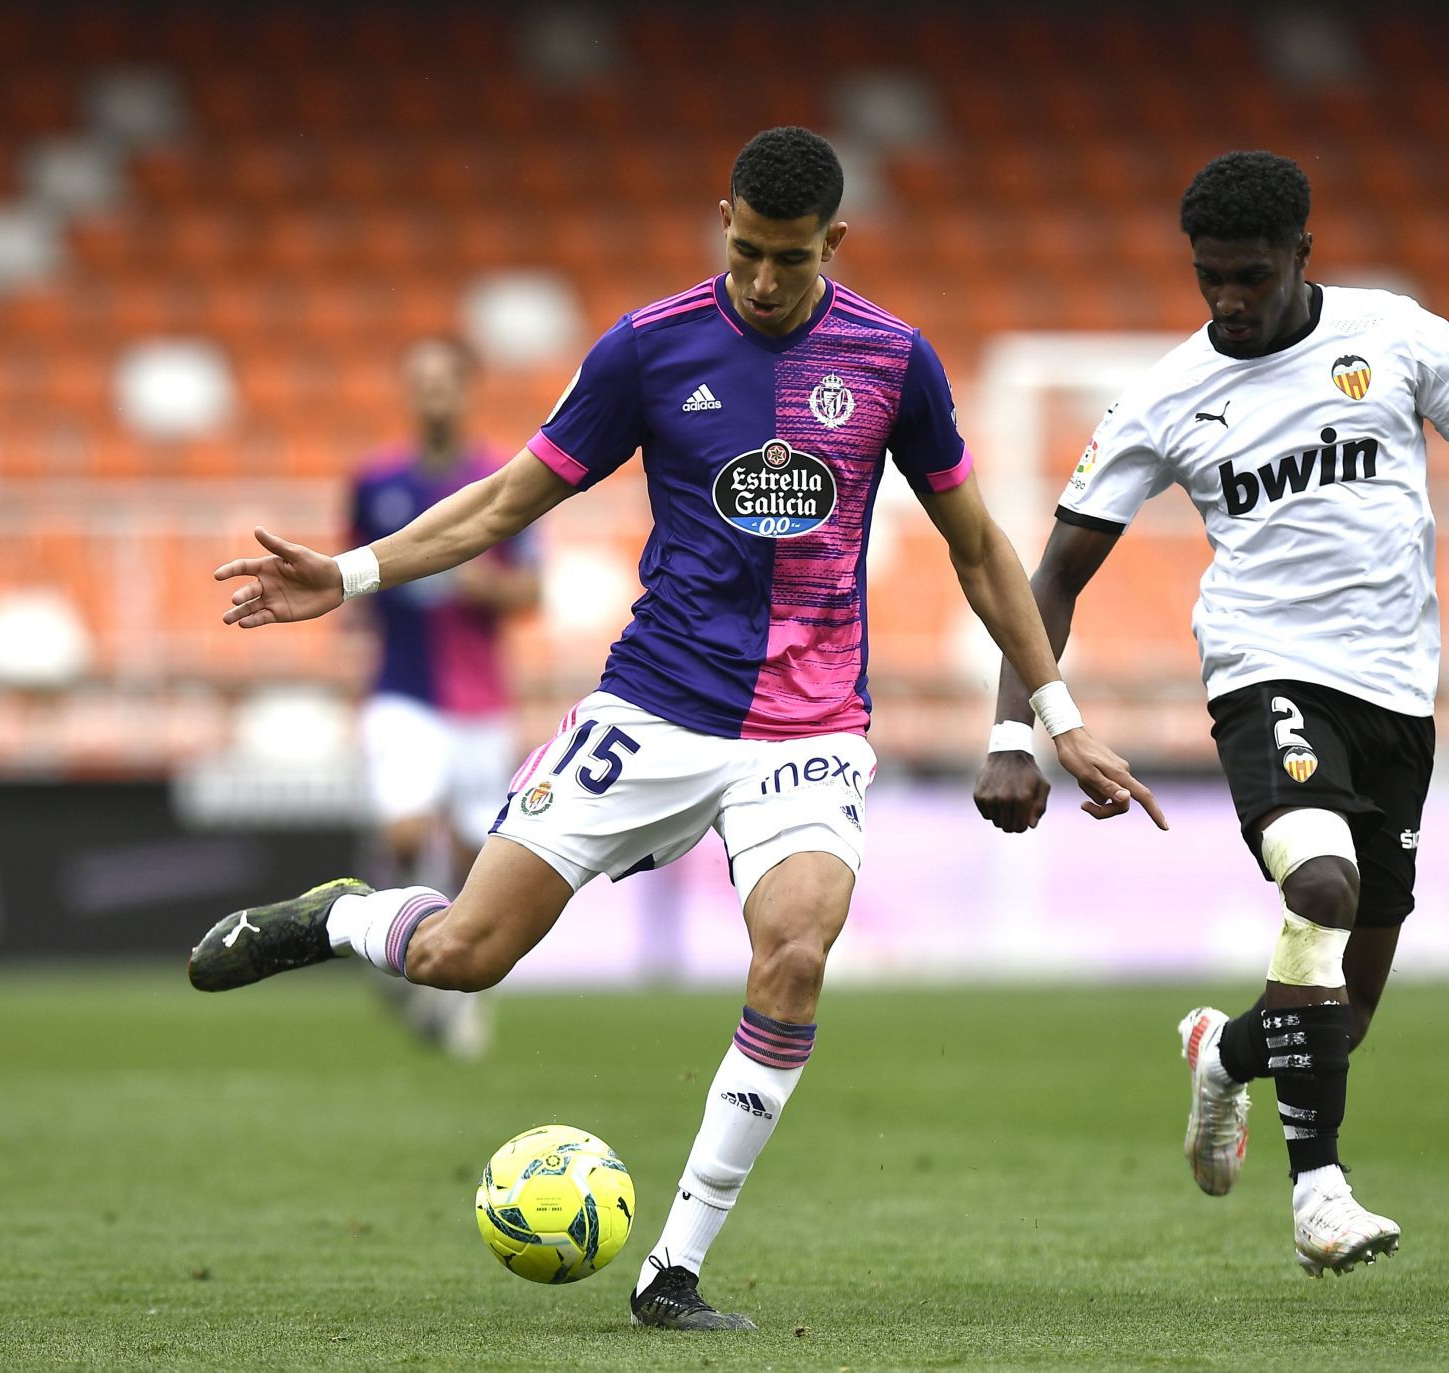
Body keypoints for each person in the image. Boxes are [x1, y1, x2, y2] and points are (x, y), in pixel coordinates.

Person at [186, 127, 1163, 1331]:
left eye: (788, 259)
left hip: (811, 725)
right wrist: (348, 573)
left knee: (794, 956)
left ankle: (674, 1269)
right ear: (724, 222)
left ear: (834, 244)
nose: (761, 278)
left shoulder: (893, 358)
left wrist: (1053, 712)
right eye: (744, 250)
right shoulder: (647, 348)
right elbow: (505, 501)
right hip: (652, 706)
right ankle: (338, 910)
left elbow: (977, 548)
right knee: (463, 957)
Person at [972, 151, 1449, 1277]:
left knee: (1335, 1020)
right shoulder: (1166, 395)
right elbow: (1052, 576)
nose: (1229, 302)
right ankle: (1321, 1196)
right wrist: (1017, 731)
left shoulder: (1394, 337)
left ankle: (1224, 1048)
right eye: (1209, 279)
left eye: (1250, 276)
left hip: (1399, 691)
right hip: (1264, 671)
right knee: (1321, 884)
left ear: (1304, 255)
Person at [347, 336, 541, 1059]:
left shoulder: (502, 477)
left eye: (444, 382)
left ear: (467, 391)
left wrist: (475, 580)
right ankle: (388, 936)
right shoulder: (373, 483)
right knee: (404, 833)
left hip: (480, 702)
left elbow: (531, 588)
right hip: (402, 689)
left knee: (469, 861)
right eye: (420, 381)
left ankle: (457, 1002)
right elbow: (354, 579)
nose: (433, 395)